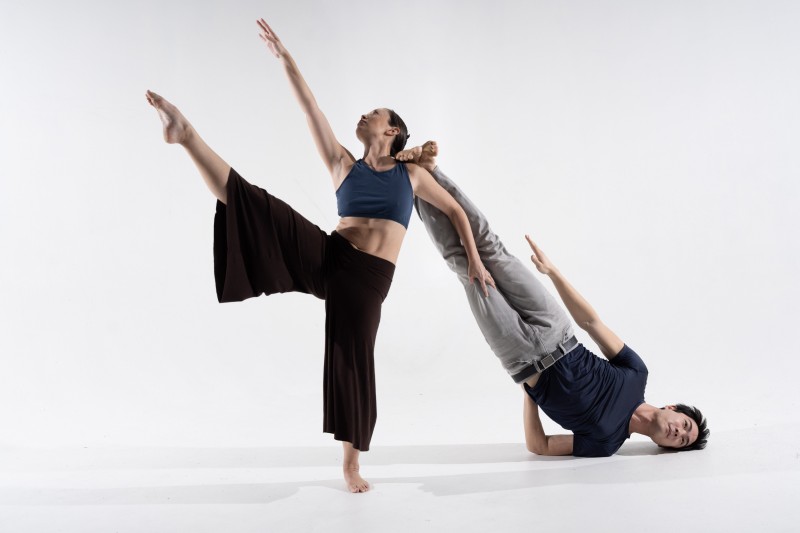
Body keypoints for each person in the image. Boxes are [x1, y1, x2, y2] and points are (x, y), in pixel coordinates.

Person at [144, 19, 495, 493]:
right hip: (331, 257)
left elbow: (456, 211)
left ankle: (350, 464)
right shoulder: (341, 163)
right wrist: (286, 59)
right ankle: (185, 134)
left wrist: (475, 260)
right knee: (258, 205)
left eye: (374, 113)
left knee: (351, 356)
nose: (364, 116)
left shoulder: (410, 177)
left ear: (391, 129)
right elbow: (310, 109)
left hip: (368, 279)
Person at [396, 141, 709, 457]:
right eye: (684, 425)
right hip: (557, 330)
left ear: (665, 446)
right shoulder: (637, 374)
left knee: (465, 267)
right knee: (491, 248)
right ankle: (431, 170)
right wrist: (553, 273)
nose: (677, 432)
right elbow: (591, 322)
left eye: (681, 439)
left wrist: (529, 394)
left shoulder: (606, 444)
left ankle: (411, 181)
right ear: (674, 408)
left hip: (521, 356)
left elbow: (540, 445)